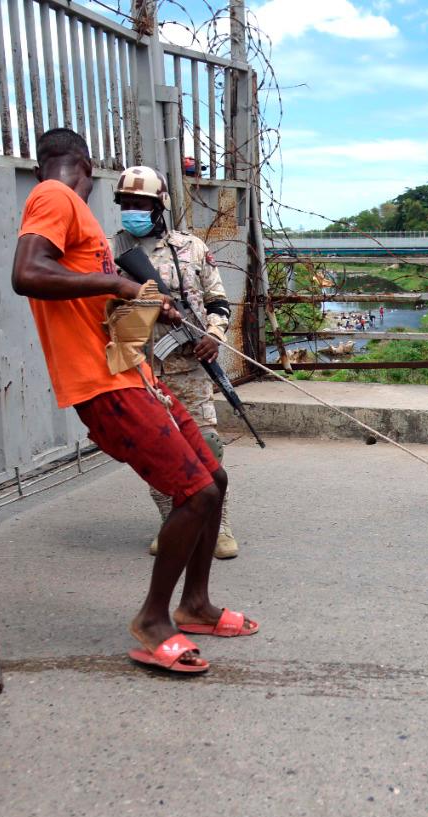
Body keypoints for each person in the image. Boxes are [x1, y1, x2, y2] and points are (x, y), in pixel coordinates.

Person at [11, 128, 257, 675]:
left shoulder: (85, 220)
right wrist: (120, 286)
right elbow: (27, 274)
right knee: (194, 493)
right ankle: (153, 621)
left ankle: (195, 605)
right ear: (86, 165)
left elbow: (88, 303)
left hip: (133, 372)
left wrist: (145, 306)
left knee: (213, 480)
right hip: (104, 385)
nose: (132, 210)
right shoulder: (53, 196)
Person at [112, 165, 239, 561]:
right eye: (126, 204)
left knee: (207, 448)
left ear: (160, 206)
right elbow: (101, 311)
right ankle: (172, 523)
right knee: (156, 452)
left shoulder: (192, 248)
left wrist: (212, 336)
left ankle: (218, 526)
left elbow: (218, 301)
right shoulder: (110, 253)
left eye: (141, 204)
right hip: (140, 370)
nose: (133, 211)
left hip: (189, 370)